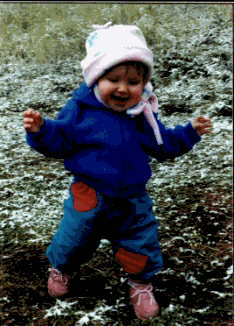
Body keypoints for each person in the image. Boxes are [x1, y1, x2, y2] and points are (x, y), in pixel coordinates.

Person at [23, 22, 212, 321]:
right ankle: (61, 268)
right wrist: (41, 130)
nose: (123, 88)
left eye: (134, 82)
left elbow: (163, 145)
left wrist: (189, 132)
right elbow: (59, 140)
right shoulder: (80, 110)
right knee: (74, 239)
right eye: (113, 79)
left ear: (144, 84)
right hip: (89, 194)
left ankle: (140, 283)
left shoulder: (143, 115)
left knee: (140, 241)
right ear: (96, 78)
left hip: (132, 198)